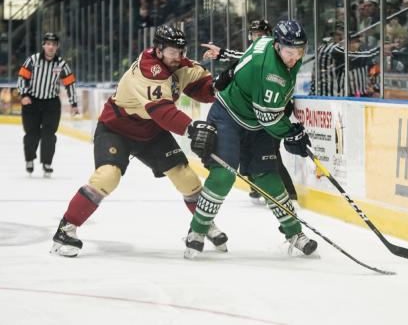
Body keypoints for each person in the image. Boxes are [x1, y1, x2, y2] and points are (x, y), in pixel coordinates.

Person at [50, 25, 227, 257]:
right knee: (107, 176)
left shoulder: (180, 65)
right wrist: (192, 127)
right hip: (116, 129)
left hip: (150, 131)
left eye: (181, 51)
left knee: (187, 177)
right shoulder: (148, 70)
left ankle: (203, 224)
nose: (179, 56)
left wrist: (220, 84)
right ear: (160, 49)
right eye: (173, 51)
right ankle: (66, 228)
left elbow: (202, 90)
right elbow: (162, 111)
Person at [185, 19, 317, 259]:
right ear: (277, 46)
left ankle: (294, 233)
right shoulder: (272, 74)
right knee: (223, 174)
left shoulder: (265, 43)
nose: (295, 57)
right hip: (230, 116)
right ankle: (197, 231)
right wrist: (291, 132)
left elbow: (243, 58)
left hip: (257, 121)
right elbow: (268, 118)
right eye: (290, 52)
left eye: (300, 51)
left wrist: (228, 69)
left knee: (268, 176)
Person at [201, 19, 299, 204]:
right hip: (260, 111)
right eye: (254, 34)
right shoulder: (261, 52)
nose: (257, 38)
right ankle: (259, 187)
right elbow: (244, 56)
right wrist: (222, 54)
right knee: (256, 150)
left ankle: (288, 192)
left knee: (270, 152)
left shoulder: (276, 53)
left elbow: (247, 57)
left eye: (260, 34)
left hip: (276, 110)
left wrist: (222, 54)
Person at [17, 32, 80, 177]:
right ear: (43, 45)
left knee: (49, 135)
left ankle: (47, 163)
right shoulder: (32, 60)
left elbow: (70, 84)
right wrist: (24, 95)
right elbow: (22, 78)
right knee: (31, 134)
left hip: (51, 104)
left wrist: (74, 104)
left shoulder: (62, 64)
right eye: (48, 44)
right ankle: (30, 159)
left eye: (54, 44)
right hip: (31, 102)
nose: (51, 47)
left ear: (57, 46)